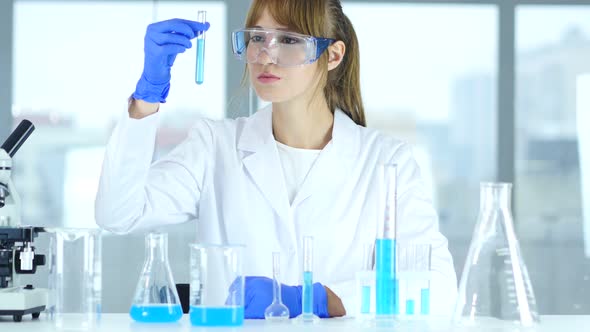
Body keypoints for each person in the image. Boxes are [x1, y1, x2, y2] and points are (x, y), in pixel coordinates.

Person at [95, 0, 457, 319]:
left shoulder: (385, 161)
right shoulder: (215, 146)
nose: (266, 55)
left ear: (332, 56)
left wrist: (317, 300)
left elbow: (439, 288)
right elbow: (118, 214)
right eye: (257, 38)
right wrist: (146, 98)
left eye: (288, 40)